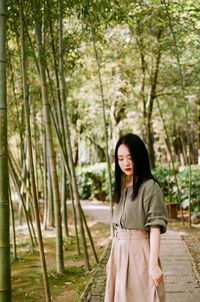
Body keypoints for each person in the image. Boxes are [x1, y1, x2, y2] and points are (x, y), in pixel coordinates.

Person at [104, 133, 168, 302]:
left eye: (130, 157)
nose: (125, 163)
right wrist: (112, 260)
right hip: (119, 250)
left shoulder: (150, 187)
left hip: (139, 253)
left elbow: (155, 227)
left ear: (139, 157)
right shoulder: (123, 185)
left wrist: (153, 265)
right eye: (120, 158)